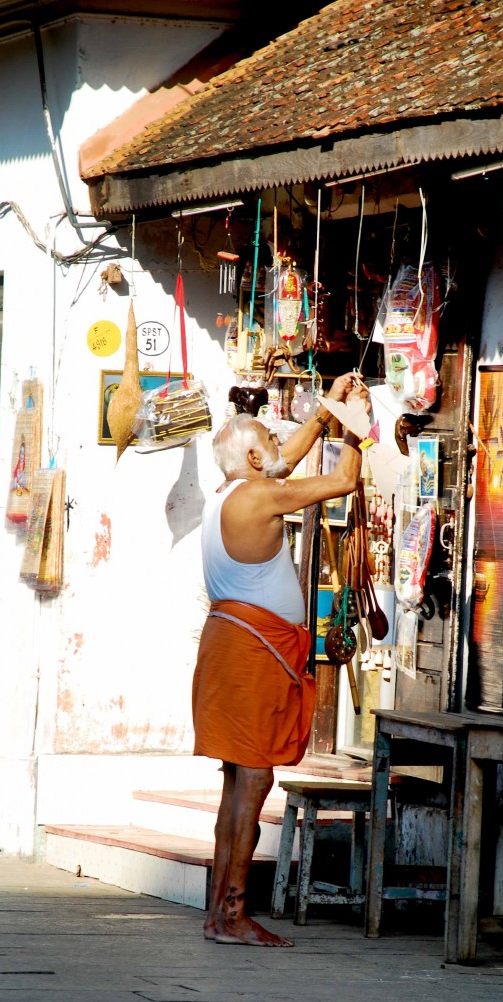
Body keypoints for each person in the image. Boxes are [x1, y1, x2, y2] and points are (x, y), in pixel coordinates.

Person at [192, 371, 367, 947]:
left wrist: (326, 409)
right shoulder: (260, 495)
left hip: (229, 645)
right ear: (250, 454)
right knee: (255, 779)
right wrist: (356, 431)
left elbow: (283, 461)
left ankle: (218, 911)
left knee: (236, 782)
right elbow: (340, 481)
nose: (279, 447)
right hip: (252, 650)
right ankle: (233, 915)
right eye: (269, 439)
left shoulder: (226, 492)